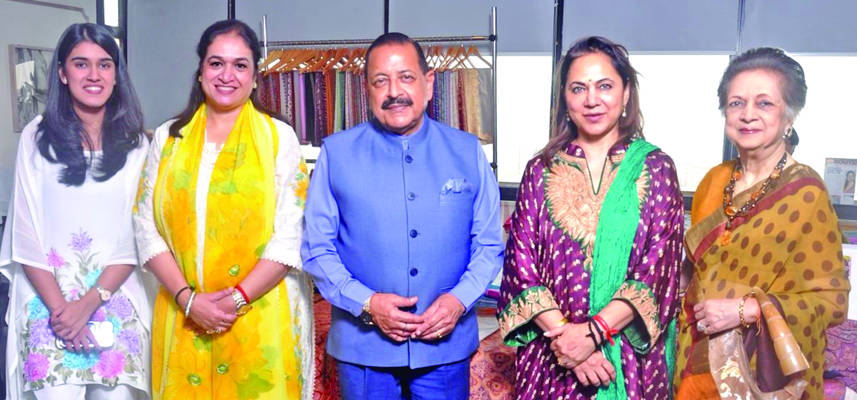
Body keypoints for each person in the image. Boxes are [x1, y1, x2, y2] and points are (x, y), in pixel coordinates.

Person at [301, 32, 503, 400]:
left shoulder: (467, 151)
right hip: (362, 348)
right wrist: (366, 303)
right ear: (367, 89)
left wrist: (458, 300)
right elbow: (317, 249)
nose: (394, 92)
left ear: (429, 83)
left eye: (406, 77)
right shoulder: (336, 154)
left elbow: (488, 245)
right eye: (381, 81)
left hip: (445, 346)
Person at [133, 20, 314, 399]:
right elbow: (145, 225)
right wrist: (189, 300)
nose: (227, 75)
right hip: (183, 313)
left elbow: (291, 234)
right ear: (200, 71)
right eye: (216, 63)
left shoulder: (278, 138)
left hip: (259, 312)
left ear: (255, 77)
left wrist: (235, 300)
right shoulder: (169, 139)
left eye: (240, 65)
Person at [498, 36, 684, 399]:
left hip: (626, 359)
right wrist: (569, 343)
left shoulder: (656, 168)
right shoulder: (540, 170)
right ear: (565, 99)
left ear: (626, 93)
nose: (592, 99)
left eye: (605, 86)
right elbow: (521, 267)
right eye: (578, 88)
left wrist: (593, 334)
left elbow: (658, 269)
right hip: (552, 355)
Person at [674, 47, 850, 400]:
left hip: (759, 376)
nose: (748, 114)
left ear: (789, 116)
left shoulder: (806, 193)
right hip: (695, 359)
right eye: (736, 103)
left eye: (764, 103)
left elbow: (831, 300)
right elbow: (694, 272)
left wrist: (745, 310)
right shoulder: (713, 181)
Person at [0, 23, 152, 399]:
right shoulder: (37, 137)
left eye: (105, 64)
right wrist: (64, 309)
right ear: (63, 73)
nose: (94, 75)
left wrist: (89, 304)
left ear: (116, 75)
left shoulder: (137, 144)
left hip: (117, 298)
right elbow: (24, 231)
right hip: (50, 306)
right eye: (81, 64)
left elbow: (139, 233)